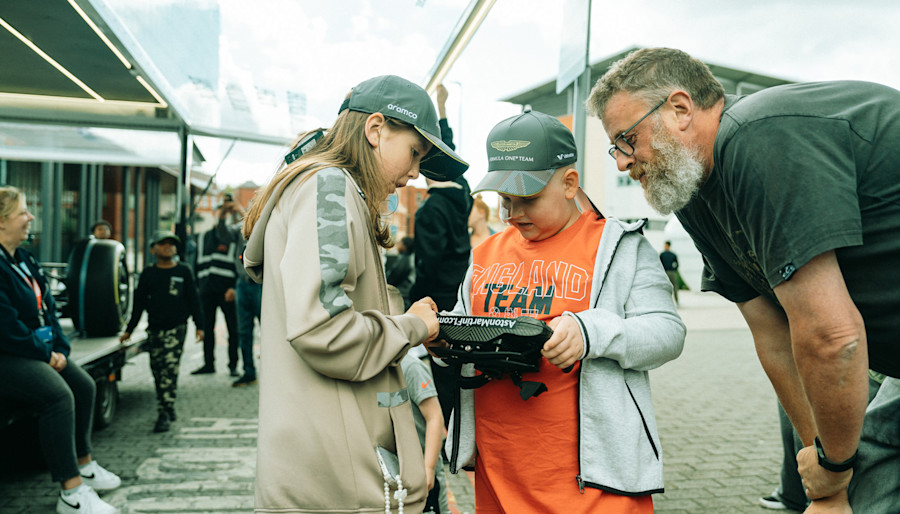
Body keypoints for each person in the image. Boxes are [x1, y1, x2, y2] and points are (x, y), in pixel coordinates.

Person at [587, 47, 900, 513]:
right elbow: (774, 336)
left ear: (679, 108)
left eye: (627, 139)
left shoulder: (760, 137)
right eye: (615, 147)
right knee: (862, 478)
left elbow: (833, 337)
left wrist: (834, 471)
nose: (621, 162)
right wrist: (825, 468)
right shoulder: (694, 190)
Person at [430, 111, 685, 512]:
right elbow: (466, 329)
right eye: (504, 199)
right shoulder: (483, 255)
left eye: (527, 199)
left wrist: (589, 333)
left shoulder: (620, 247)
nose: (512, 214)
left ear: (569, 184)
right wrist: (442, 339)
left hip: (596, 489)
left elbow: (668, 333)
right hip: (499, 479)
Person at [240, 74, 466, 512]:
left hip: (327, 479)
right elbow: (326, 330)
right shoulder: (330, 187)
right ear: (376, 129)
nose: (416, 173)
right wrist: (414, 325)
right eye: (414, 153)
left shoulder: (328, 189)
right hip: (338, 488)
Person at [0, 186, 121, 514]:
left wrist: (59, 349)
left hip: (35, 349)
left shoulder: (23, 258)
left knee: (83, 385)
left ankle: (84, 465)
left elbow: (49, 310)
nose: (30, 217)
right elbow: (7, 328)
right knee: (58, 396)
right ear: (1, 221)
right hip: (9, 355)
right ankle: (71, 493)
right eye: (23, 212)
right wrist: (44, 353)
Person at [410, 83, 472, 429]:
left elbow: (427, 265)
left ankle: (445, 430)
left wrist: (412, 299)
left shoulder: (430, 210)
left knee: (439, 371)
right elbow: (450, 151)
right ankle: (459, 428)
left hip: (436, 299)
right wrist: (442, 109)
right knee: (455, 368)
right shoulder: (461, 195)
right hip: (459, 292)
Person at [119, 231, 204, 432]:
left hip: (176, 330)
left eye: (171, 244)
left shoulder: (184, 271)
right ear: (153, 249)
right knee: (157, 370)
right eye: (163, 244)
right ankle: (168, 403)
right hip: (155, 330)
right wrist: (129, 330)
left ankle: (164, 411)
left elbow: (194, 299)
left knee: (170, 369)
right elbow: (138, 304)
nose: (168, 247)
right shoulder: (149, 274)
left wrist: (200, 326)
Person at [214, 197, 262, 387]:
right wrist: (223, 215)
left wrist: (241, 211)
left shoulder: (263, 224)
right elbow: (223, 235)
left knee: (267, 329)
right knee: (244, 332)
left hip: (260, 284)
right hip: (242, 283)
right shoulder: (238, 228)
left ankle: (271, 372)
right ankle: (249, 372)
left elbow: (252, 231)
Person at [192, 209, 240, 377]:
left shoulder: (232, 237)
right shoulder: (202, 237)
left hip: (227, 290)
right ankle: (208, 364)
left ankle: (233, 365)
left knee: (233, 330)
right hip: (206, 290)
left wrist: (234, 287)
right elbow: (195, 263)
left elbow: (238, 262)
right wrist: (198, 288)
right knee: (207, 328)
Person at [400, 352, 448, 514]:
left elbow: (434, 417)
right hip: (394, 471)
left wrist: (428, 468)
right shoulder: (367, 368)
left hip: (422, 468)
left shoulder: (411, 367)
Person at [385, 236, 415, 311]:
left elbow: (394, 276)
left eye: (399, 243)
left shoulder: (404, 260)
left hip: (402, 294)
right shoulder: (411, 258)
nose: (397, 245)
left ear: (405, 246)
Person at [659, 240, 679, 305]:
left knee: (675, 287)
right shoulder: (662, 254)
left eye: (666, 245)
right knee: (665, 287)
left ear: (668, 246)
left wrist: (674, 269)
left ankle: (677, 301)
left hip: (671, 272)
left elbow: (677, 264)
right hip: (665, 273)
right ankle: (666, 302)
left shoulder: (672, 255)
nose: (665, 246)